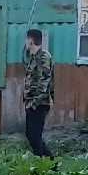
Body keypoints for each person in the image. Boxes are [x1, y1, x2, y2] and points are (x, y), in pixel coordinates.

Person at [22, 28, 55, 158]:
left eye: (26, 39)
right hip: (31, 103)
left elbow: (44, 82)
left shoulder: (43, 57)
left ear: (31, 41)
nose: (25, 42)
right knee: (30, 136)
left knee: (35, 137)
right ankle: (49, 164)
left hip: (40, 104)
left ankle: (45, 166)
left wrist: (34, 103)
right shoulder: (33, 58)